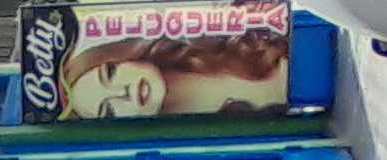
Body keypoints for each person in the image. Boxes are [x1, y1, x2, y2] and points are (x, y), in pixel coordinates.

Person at [59, 30, 289, 119]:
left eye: (110, 73)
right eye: (108, 110)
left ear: (123, 56)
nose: (123, 93)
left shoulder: (224, 38)